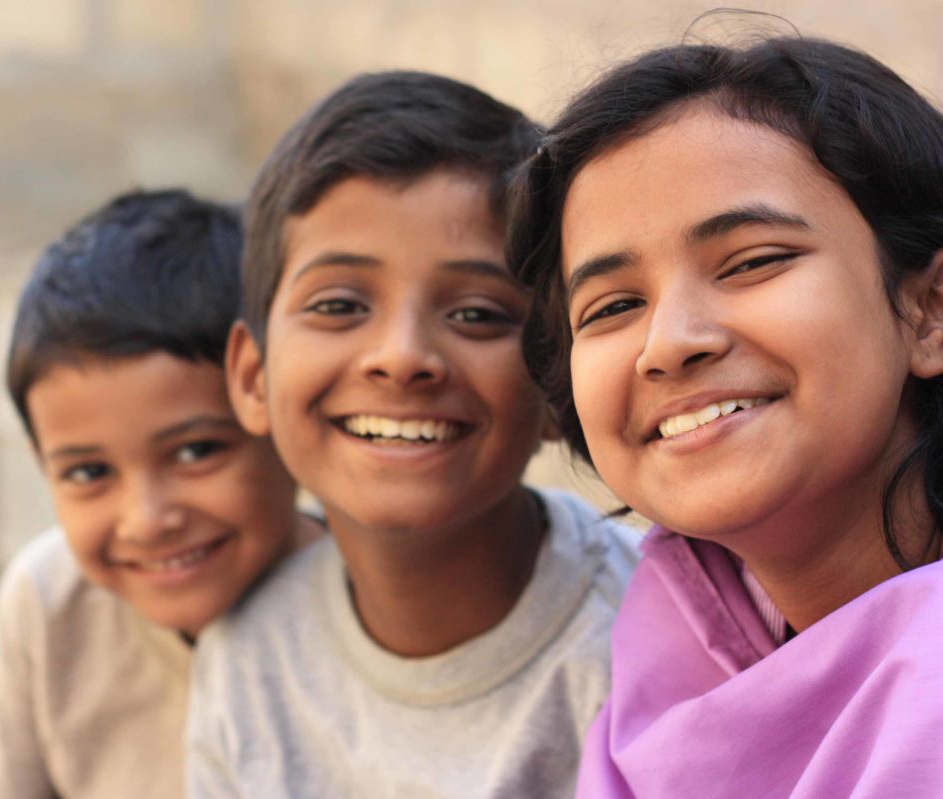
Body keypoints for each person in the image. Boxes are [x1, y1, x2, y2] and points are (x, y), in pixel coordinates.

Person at [511, 36, 943, 798]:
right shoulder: (657, 676)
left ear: (929, 310)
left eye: (752, 261)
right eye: (612, 306)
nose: (670, 343)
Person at [187, 71, 640, 798]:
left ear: (560, 384)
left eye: (477, 314)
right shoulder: (250, 653)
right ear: (252, 377)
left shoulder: (651, 641)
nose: (401, 356)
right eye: (339, 304)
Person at [0, 189, 318, 799]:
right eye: (87, 473)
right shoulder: (49, 602)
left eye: (196, 451)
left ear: (279, 418)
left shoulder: (370, 600)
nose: (148, 520)